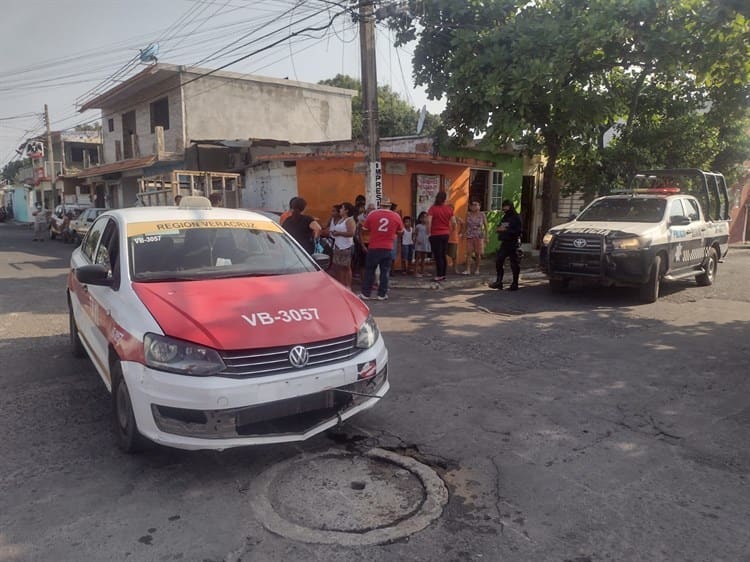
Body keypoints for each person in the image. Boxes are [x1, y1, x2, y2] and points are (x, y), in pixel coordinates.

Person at [359, 199, 404, 301]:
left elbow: (365, 229)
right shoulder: (396, 216)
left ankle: (366, 293)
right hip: (387, 247)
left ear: (380, 205)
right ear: (389, 205)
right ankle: (382, 294)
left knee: (369, 271)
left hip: (374, 247)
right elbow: (401, 231)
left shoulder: (372, 214)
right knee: (385, 272)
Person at [489, 199, 522, 291]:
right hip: (505, 243)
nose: (504, 208)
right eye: (503, 207)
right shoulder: (505, 217)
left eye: (506, 206)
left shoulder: (516, 217)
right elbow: (501, 226)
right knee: (499, 261)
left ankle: (515, 283)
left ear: (510, 206)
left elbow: (519, 231)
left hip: (513, 243)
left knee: (514, 264)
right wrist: (499, 229)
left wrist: (507, 230)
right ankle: (499, 281)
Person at [426, 191, 454, 282]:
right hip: (445, 234)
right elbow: (454, 222)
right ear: (445, 199)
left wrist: (428, 232)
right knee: (443, 254)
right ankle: (443, 274)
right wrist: (450, 231)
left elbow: (429, 222)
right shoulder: (449, 209)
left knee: (437, 255)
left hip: (435, 234)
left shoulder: (433, 209)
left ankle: (439, 275)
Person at [330, 202, 356, 289]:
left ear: (346, 210)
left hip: (346, 246)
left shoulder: (349, 220)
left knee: (346, 266)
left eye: (342, 208)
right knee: (339, 266)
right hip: (338, 245)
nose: (340, 210)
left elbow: (351, 233)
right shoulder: (341, 220)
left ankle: (348, 285)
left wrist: (339, 233)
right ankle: (342, 284)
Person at [462, 200, 489, 275]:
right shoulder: (468, 214)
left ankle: (477, 269)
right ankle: (468, 269)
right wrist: (462, 233)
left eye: (476, 205)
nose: (474, 206)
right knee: (469, 253)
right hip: (469, 235)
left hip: (479, 236)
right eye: (473, 205)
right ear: (470, 207)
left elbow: (486, 226)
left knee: (478, 253)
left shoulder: (482, 214)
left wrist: (487, 236)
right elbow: (465, 225)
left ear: (479, 206)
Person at [414, 211, 431, 277]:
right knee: (417, 257)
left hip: (425, 243)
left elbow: (428, 233)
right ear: (420, 219)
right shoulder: (418, 226)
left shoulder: (428, 226)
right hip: (419, 243)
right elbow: (415, 234)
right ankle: (415, 272)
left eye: (426, 217)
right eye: (423, 217)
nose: (425, 219)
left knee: (424, 258)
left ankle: (422, 271)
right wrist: (417, 240)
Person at [446, 205, 462, 274]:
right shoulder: (444, 217)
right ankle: (445, 268)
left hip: (453, 238)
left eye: (451, 209)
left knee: (454, 255)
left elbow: (463, 223)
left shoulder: (455, 217)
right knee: (444, 254)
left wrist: (461, 232)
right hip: (445, 238)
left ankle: (455, 269)